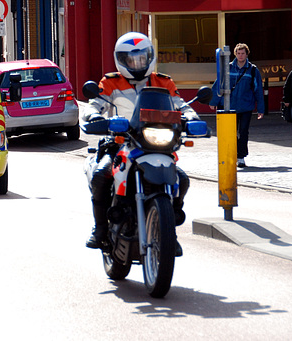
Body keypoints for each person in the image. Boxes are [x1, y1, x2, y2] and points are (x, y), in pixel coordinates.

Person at [82, 32, 199, 256]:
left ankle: (168, 230)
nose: (137, 64)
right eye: (131, 59)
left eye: (142, 59)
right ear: (121, 60)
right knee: (100, 175)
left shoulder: (163, 81)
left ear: (150, 57)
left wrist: (191, 117)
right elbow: (95, 104)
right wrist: (94, 115)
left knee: (181, 179)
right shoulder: (110, 82)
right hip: (121, 141)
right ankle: (100, 228)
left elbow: (180, 104)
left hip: (156, 142)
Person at [209, 43, 264, 167]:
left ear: (246, 54)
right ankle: (231, 155)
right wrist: (213, 101)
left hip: (246, 106)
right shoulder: (228, 68)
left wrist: (260, 108)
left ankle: (241, 157)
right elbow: (219, 84)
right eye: (238, 53)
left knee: (243, 132)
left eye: (243, 53)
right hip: (229, 106)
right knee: (230, 133)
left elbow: (258, 90)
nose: (240, 55)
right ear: (235, 54)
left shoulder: (253, 70)